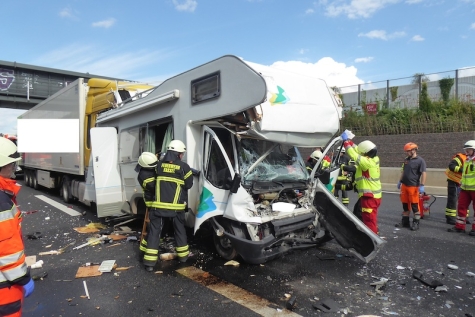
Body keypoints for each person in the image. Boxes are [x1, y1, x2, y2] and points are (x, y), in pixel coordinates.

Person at [142, 140, 193, 271]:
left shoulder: (158, 166)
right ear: (179, 154)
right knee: (179, 231)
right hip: (176, 208)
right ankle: (183, 258)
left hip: (158, 206)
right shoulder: (184, 167)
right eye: (182, 153)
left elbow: (152, 182)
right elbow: (189, 185)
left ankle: (149, 264)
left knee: (154, 232)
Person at [0, 137, 34, 316]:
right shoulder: (1, 202)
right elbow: (7, 250)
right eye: (11, 164)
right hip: (5, 287)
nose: (14, 168)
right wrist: (23, 278)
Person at [340, 132, 381, 234]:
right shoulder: (374, 158)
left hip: (369, 197)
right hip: (374, 196)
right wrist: (350, 142)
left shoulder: (366, 163)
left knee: (369, 220)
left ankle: (372, 242)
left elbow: (354, 155)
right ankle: (372, 235)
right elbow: (358, 150)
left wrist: (345, 142)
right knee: (369, 218)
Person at [397, 142, 426, 231]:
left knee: (415, 206)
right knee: (405, 205)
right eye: (406, 151)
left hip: (413, 186)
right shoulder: (406, 160)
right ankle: (405, 222)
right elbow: (403, 171)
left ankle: (416, 223)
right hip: (404, 186)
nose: (407, 153)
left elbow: (424, 173)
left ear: (414, 150)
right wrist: (400, 181)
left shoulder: (420, 161)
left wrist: (422, 186)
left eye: (408, 151)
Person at [448, 140, 475, 235]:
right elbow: (465, 174)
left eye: (469, 149)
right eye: (466, 149)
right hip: (465, 189)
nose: (466, 151)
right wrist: (461, 184)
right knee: (461, 207)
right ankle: (460, 226)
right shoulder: (467, 160)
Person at [137, 152, 158, 256]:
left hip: (154, 201)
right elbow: (154, 187)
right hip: (151, 202)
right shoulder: (143, 176)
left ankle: (147, 246)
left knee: (155, 226)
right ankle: (145, 247)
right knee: (153, 227)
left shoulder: (148, 169)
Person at [445, 151, 467, 225]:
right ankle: (450, 217)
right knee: (453, 199)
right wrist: (462, 170)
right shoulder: (461, 157)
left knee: (465, 200)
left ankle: (463, 217)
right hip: (454, 180)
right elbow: (451, 166)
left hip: (464, 182)